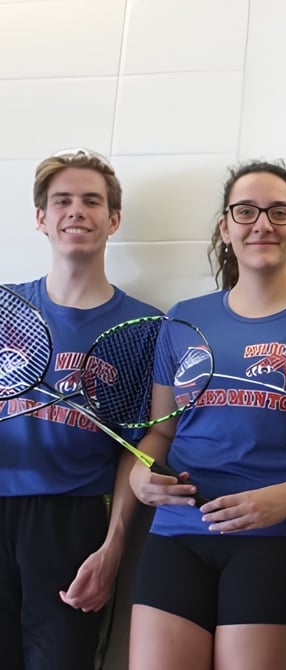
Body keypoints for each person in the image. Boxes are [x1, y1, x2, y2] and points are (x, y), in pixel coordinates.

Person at [126, 160, 286, 670]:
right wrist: (139, 478)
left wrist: (283, 500)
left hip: (282, 541)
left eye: (280, 212)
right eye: (246, 211)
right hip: (177, 535)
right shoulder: (182, 319)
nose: (262, 224)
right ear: (225, 226)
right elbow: (159, 433)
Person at [0, 149, 161, 669]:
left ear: (112, 220)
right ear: (41, 219)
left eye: (92, 201)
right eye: (62, 200)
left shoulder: (146, 329)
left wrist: (113, 550)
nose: (77, 211)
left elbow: (138, 450)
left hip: (74, 521)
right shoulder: (5, 306)